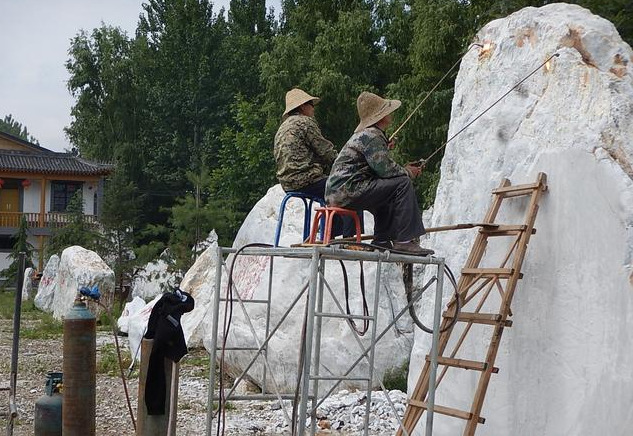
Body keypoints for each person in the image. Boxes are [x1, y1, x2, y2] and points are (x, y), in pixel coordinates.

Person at [325, 91, 431, 255]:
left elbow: (379, 169)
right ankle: (404, 241)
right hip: (347, 191)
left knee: (388, 190)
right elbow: (385, 170)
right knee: (402, 183)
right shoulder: (372, 136)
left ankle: (382, 239)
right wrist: (408, 172)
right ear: (381, 116)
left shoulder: (367, 135)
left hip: (340, 192)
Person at [274, 88, 358, 238]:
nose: (313, 108)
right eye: (311, 104)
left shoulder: (283, 127)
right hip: (306, 180)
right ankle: (349, 239)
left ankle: (330, 235)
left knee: (332, 185)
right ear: (302, 106)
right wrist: (347, 163)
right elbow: (326, 152)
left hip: (287, 183)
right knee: (349, 186)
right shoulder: (305, 122)